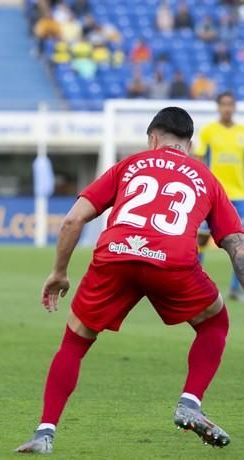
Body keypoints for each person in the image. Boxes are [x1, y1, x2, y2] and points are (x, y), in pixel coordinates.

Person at [16, 107, 241, 454]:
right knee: (215, 322)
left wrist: (59, 273)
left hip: (115, 257)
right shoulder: (206, 177)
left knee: (75, 342)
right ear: (190, 144)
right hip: (172, 262)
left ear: (152, 138)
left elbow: (73, 221)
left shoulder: (130, 165)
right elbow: (234, 244)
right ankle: (189, 402)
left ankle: (44, 433)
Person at [194, 92, 244, 301]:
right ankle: (194, 285)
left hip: (240, 197)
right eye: (223, 104)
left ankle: (236, 288)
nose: (227, 108)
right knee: (200, 242)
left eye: (230, 104)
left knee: (240, 244)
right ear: (218, 107)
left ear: (234, 107)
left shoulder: (242, 131)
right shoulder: (208, 132)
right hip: (214, 197)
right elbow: (198, 160)